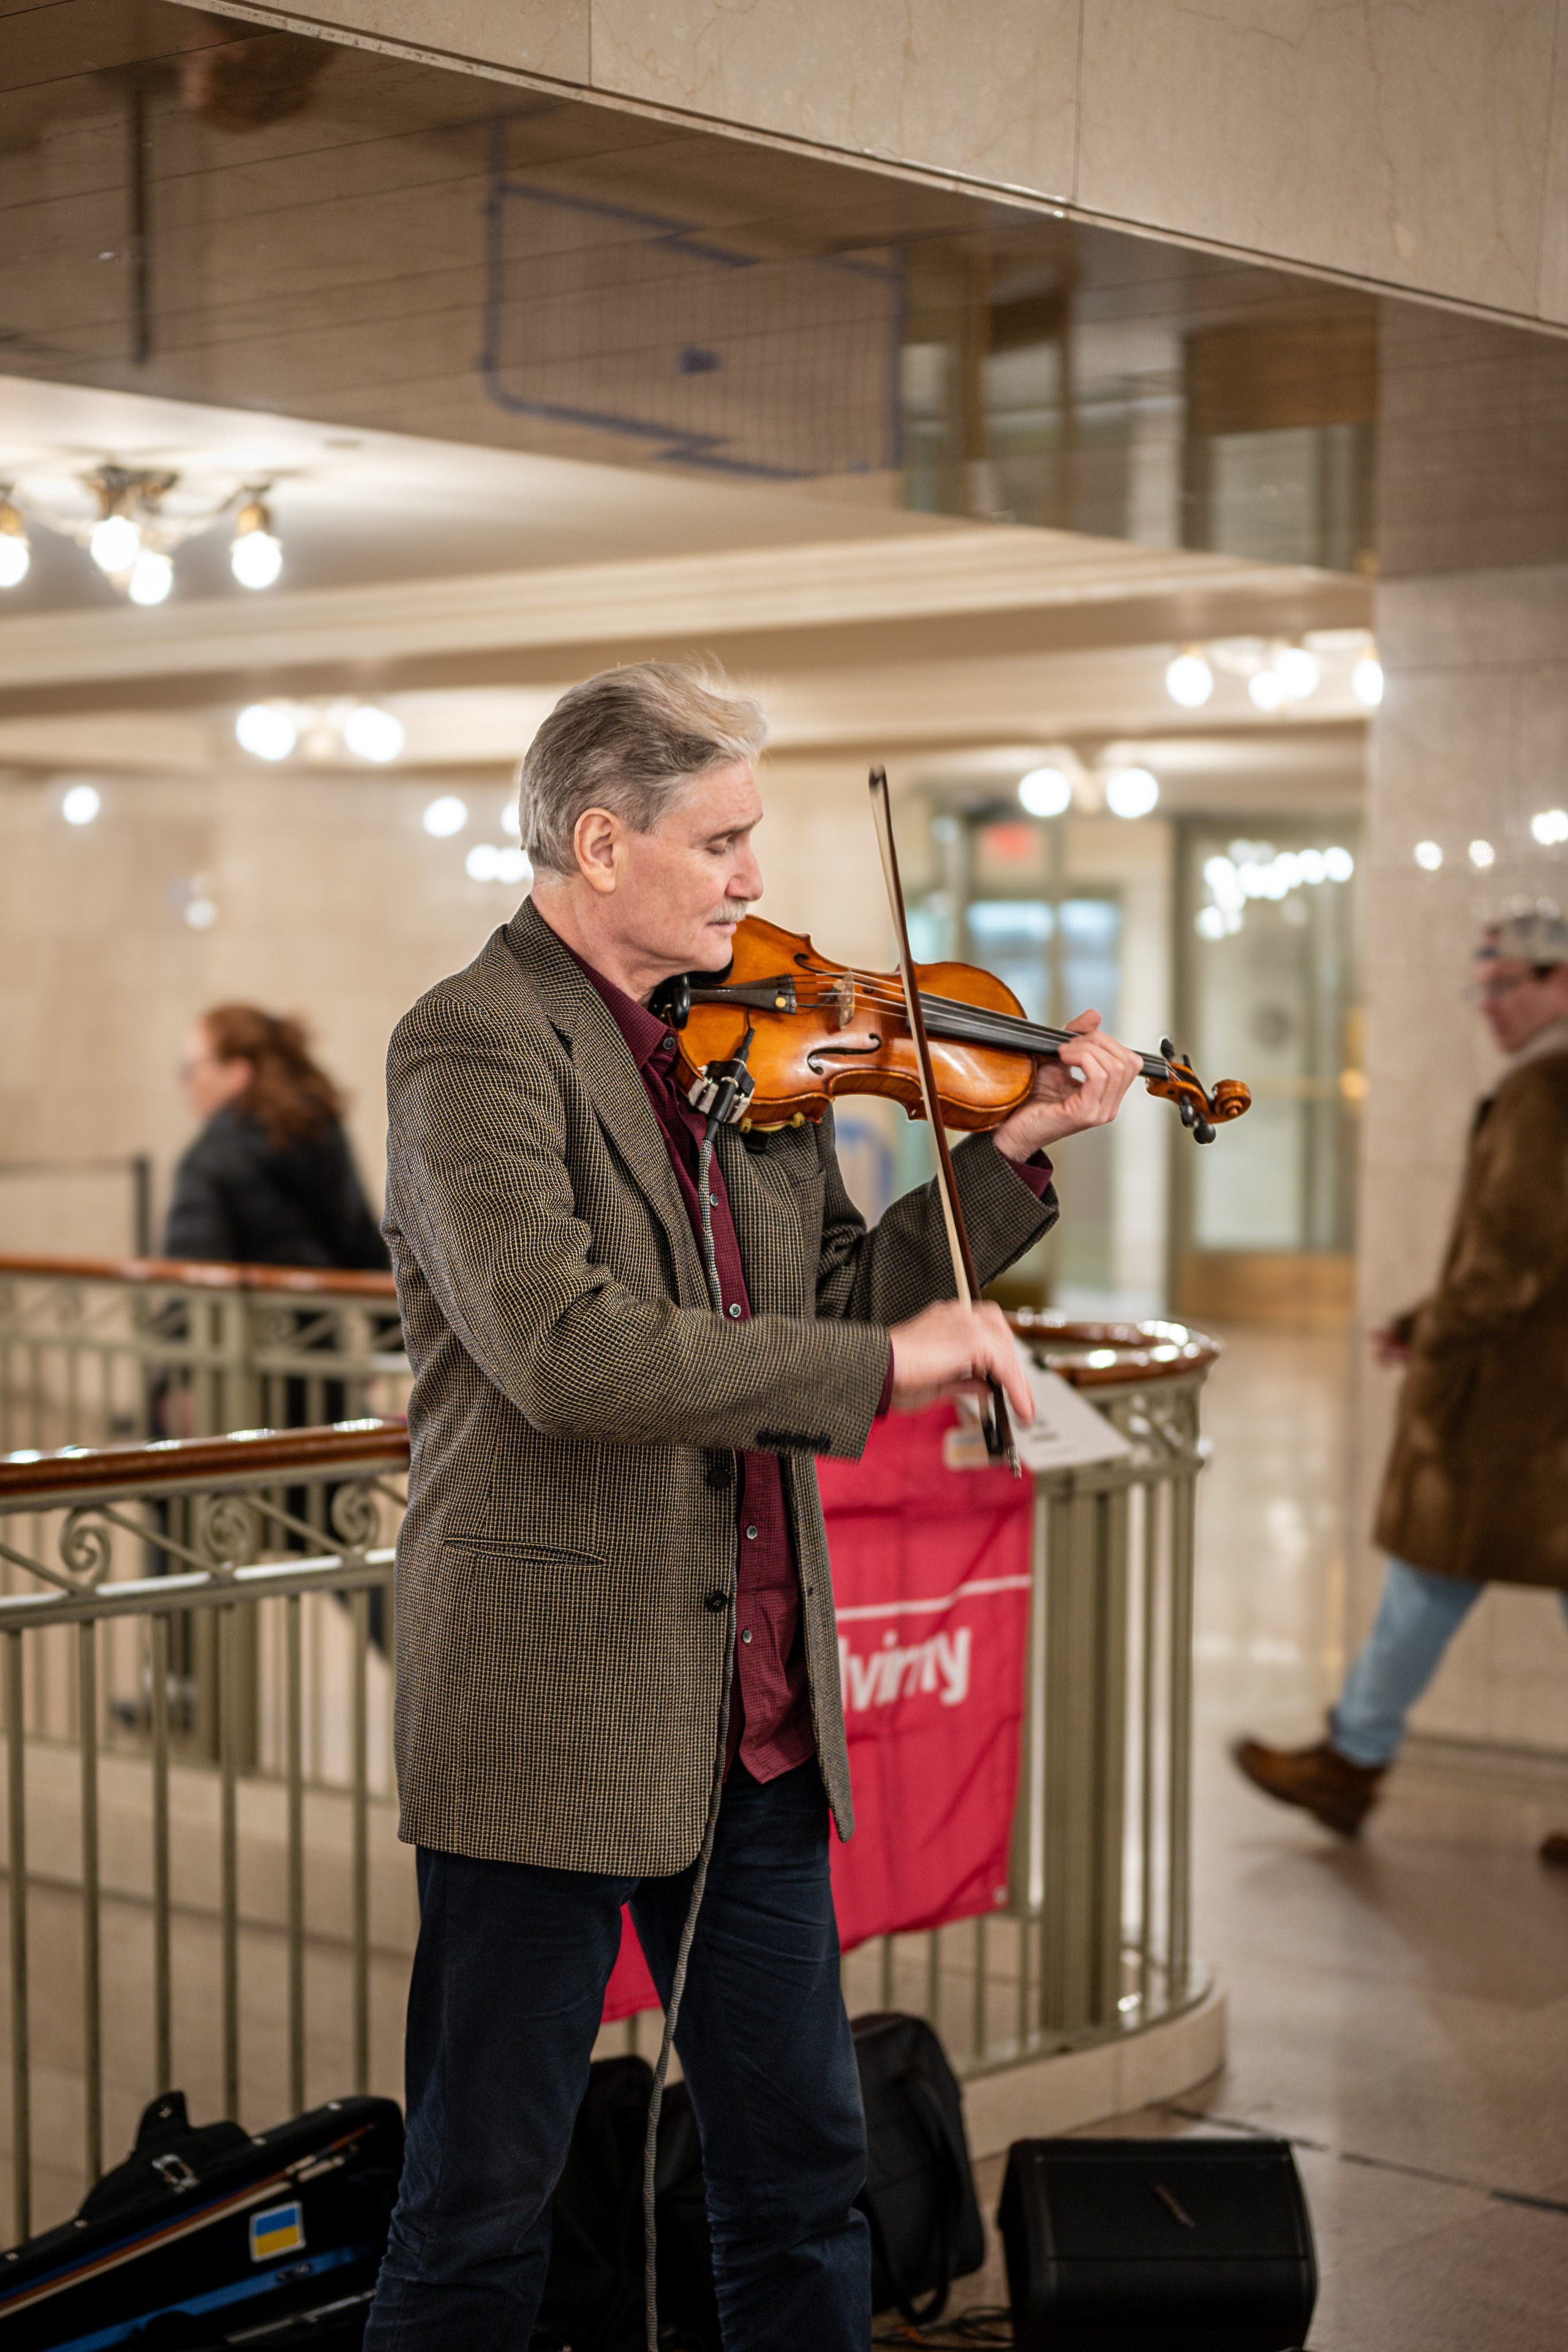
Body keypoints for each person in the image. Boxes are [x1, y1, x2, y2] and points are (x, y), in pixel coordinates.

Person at [363, 662, 1143, 2352]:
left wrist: (1009, 1165)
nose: (754, 879)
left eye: (753, 836)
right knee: (481, 2202)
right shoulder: (474, 1045)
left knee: (802, 2179)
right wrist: (891, 1371)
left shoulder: (746, 1046)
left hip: (763, 1718)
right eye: (721, 840)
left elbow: (841, 1305)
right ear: (598, 840)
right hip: (554, 1709)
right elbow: (568, 1355)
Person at [1234, 902, 1568, 1858]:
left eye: (1511, 984)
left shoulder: (1546, 1093)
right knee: (1433, 1577)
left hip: (1518, 1404)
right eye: (1485, 986)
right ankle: (1354, 1754)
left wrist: (1431, 1329)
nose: (1491, 1005)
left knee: (1430, 1569)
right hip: (1546, 1401)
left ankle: (1352, 1761)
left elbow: (1508, 1261)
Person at [167, 1004, 388, 1270]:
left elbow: (193, 1285)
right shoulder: (322, 1134)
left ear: (237, 1074)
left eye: (190, 1068)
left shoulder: (208, 1161)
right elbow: (365, 1249)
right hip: (325, 1310)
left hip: (248, 1312)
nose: (186, 1083)